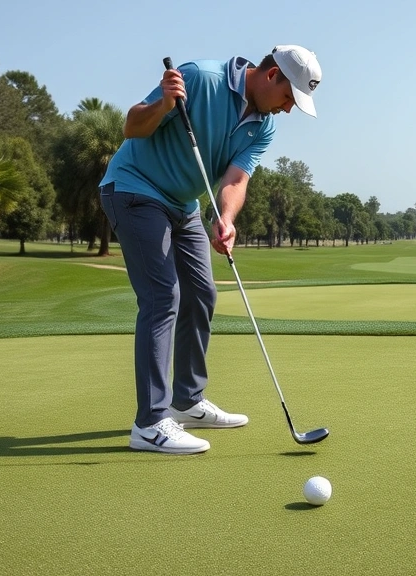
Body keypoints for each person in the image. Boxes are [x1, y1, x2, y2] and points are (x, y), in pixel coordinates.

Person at [98, 45, 322, 454]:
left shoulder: (264, 127)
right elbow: (132, 126)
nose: (289, 109)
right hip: (135, 189)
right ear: (272, 75)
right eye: (289, 97)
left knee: (202, 293)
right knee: (162, 296)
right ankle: (150, 423)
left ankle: (186, 401)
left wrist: (227, 218)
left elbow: (235, 180)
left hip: (184, 205)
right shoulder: (201, 78)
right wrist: (165, 105)